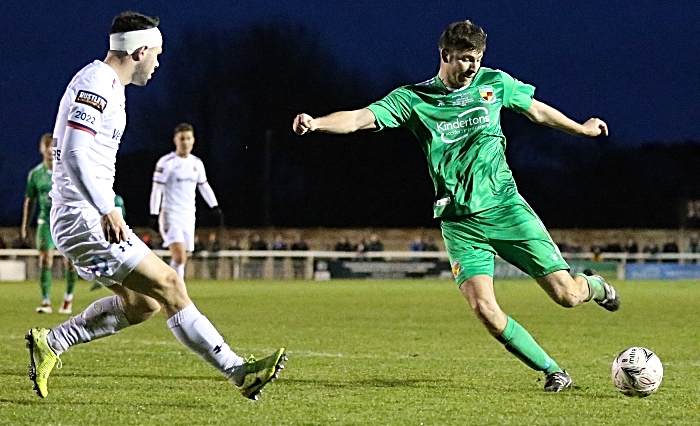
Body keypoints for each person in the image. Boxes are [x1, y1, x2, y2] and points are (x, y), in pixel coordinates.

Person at [293, 20, 619, 392]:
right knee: (484, 310)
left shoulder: (493, 84)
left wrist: (582, 129)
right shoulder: (414, 99)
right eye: (464, 59)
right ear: (444, 55)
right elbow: (358, 119)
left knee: (567, 296)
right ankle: (552, 371)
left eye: (476, 59)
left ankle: (593, 286)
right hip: (459, 223)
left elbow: (537, 111)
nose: (471, 67)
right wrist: (316, 123)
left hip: (505, 209)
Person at [26, 11, 285, 401]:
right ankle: (239, 372)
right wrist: (105, 208)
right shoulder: (97, 81)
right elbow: (76, 154)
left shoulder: (110, 85)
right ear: (139, 50)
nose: (158, 63)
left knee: (143, 303)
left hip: (81, 218)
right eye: (157, 54)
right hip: (84, 217)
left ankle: (53, 342)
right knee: (171, 284)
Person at [149, 123, 223, 280]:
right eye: (182, 138)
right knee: (179, 256)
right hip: (171, 214)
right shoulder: (166, 162)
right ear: (175, 140)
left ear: (193, 140)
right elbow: (157, 190)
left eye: (188, 138)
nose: (185, 142)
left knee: (183, 258)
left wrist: (214, 206)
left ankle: (171, 289)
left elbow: (204, 186)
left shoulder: (197, 163)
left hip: (189, 216)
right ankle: (172, 289)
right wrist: (154, 214)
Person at [21, 133, 79, 314]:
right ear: (41, 149)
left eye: (53, 146)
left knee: (70, 262)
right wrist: (25, 225)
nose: (50, 150)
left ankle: (68, 298)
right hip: (45, 221)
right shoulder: (35, 174)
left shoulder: (66, 171)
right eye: (47, 147)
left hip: (66, 221)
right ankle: (46, 302)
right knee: (45, 260)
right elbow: (30, 201)